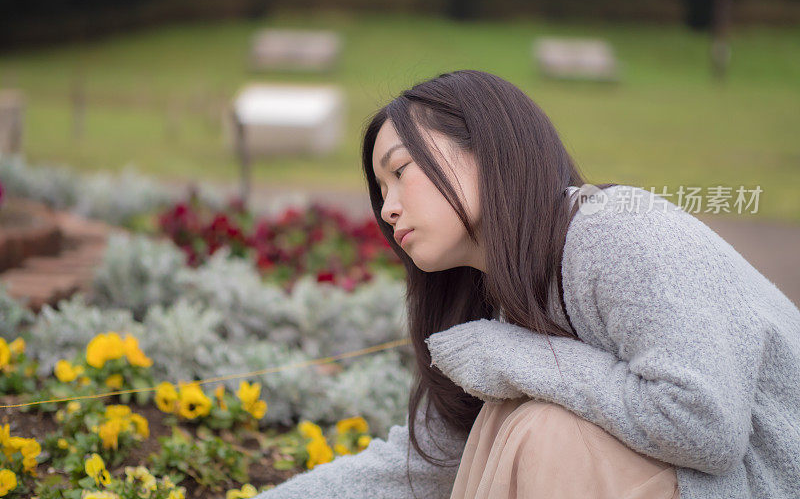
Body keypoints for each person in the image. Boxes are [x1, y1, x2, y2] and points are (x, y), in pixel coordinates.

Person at [255, 70, 800, 498]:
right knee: (514, 418)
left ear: (488, 152)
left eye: (401, 172)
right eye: (380, 190)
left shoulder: (619, 232)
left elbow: (706, 426)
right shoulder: (492, 299)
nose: (388, 209)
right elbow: (425, 466)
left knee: (542, 429)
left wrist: (519, 358)